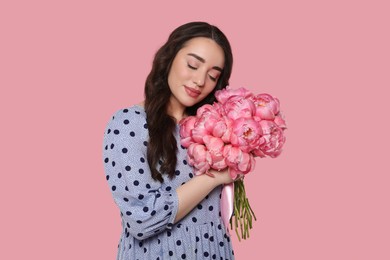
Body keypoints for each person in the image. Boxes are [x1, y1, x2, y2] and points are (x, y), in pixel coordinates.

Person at [102, 21, 235, 260]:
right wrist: (214, 178)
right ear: (170, 57)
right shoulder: (128, 123)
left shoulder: (213, 128)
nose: (199, 81)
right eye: (193, 65)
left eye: (213, 76)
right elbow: (142, 219)